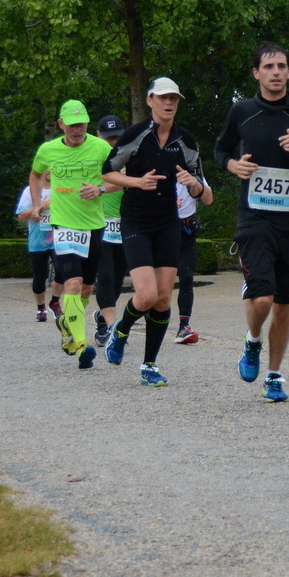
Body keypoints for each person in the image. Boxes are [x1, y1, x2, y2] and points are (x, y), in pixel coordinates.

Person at [215, 42, 289, 403]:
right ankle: (253, 341)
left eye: (281, 66)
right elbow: (220, 150)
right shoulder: (242, 111)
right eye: (268, 67)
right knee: (262, 297)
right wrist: (233, 165)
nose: (276, 72)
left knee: (284, 302)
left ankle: (274, 376)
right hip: (254, 218)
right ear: (256, 73)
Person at [102, 79, 204, 387]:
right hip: (136, 220)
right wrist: (137, 182)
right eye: (163, 98)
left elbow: (198, 183)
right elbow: (108, 172)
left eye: (174, 98)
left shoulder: (185, 139)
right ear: (150, 101)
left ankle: (149, 365)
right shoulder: (135, 135)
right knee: (145, 296)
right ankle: (121, 330)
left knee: (162, 300)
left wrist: (192, 184)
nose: (169, 103)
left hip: (168, 222)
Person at [31, 101, 115, 369]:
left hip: (94, 225)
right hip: (64, 225)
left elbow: (121, 177)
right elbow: (35, 175)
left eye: (81, 125)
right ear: (61, 124)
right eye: (72, 125)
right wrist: (37, 203)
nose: (77, 130)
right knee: (74, 284)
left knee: (87, 288)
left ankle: (68, 324)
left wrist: (100, 189)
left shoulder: (102, 147)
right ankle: (81, 345)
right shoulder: (48, 150)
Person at [91, 114, 129, 348]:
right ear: (98, 135)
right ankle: (110, 326)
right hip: (100, 221)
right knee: (104, 275)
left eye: (116, 138)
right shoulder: (92, 158)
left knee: (117, 279)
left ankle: (102, 316)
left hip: (125, 223)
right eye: (108, 138)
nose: (112, 142)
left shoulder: (129, 156)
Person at [172, 166, 213, 343]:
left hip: (186, 231)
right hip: (162, 230)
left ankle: (184, 326)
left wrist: (195, 183)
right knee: (160, 283)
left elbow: (209, 199)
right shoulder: (157, 168)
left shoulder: (193, 171)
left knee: (187, 278)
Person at [16, 178, 55, 321]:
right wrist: (41, 206)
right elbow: (21, 215)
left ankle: (55, 302)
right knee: (40, 274)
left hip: (59, 239)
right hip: (38, 240)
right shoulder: (30, 190)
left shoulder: (63, 188)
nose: (49, 170)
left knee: (63, 271)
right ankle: (41, 308)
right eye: (46, 168)